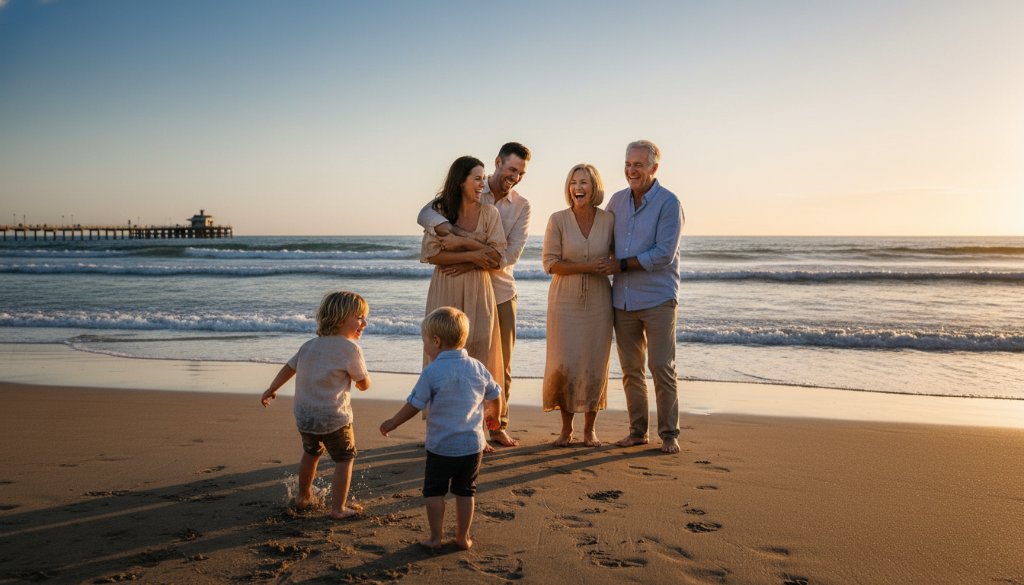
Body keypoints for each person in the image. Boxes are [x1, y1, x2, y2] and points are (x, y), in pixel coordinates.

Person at [417, 142, 531, 448]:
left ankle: (494, 425)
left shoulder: (518, 206)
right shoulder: (444, 207)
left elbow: (505, 254)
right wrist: (462, 243)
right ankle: (442, 424)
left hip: (498, 290)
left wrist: (463, 250)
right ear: (498, 163)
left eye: (520, 172)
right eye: (511, 169)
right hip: (448, 287)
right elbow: (428, 237)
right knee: (441, 356)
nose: (515, 176)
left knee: (493, 361)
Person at [380, 306, 501, 551]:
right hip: (472, 446)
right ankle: (462, 537)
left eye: (424, 340)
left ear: (436, 341)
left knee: (434, 492)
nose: (424, 345)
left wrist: (393, 422)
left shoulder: (432, 371)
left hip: (441, 447)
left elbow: (414, 404)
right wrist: (493, 415)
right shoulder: (477, 367)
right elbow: (496, 393)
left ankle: (435, 538)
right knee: (466, 492)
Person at [601, 140, 685, 454]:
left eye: (638, 164)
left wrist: (620, 264)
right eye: (628, 164)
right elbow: (604, 241)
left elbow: (663, 254)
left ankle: (669, 434)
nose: (631, 170)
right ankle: (637, 431)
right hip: (622, 299)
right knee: (630, 370)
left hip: (658, 298)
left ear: (653, 168)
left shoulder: (668, 203)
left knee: (662, 366)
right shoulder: (617, 201)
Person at [260, 291, 372, 518]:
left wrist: (272, 388)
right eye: (359, 317)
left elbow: (289, 368)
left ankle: (302, 497)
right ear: (341, 318)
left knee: (311, 453)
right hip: (334, 417)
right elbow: (363, 383)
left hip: (305, 415)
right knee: (344, 458)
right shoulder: (350, 348)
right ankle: (338, 508)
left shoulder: (309, 345)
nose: (365, 322)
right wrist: (363, 383)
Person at [419, 156, 506, 424]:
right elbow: (431, 254)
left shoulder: (490, 214)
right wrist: (475, 252)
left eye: (484, 177)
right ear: (460, 181)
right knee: (441, 350)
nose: (483, 184)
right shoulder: (441, 213)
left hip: (479, 289)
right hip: (445, 286)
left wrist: (459, 245)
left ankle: (478, 425)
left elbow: (497, 257)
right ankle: (440, 423)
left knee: (480, 349)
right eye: (477, 178)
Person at [541, 163, 614, 447]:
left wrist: (610, 266)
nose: (578, 188)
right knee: (566, 360)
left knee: (595, 360)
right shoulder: (557, 219)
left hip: (598, 301)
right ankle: (566, 429)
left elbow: (616, 256)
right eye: (573, 182)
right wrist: (587, 266)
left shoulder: (609, 220)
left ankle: (589, 430)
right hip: (564, 300)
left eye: (584, 182)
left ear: (594, 187)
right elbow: (550, 263)